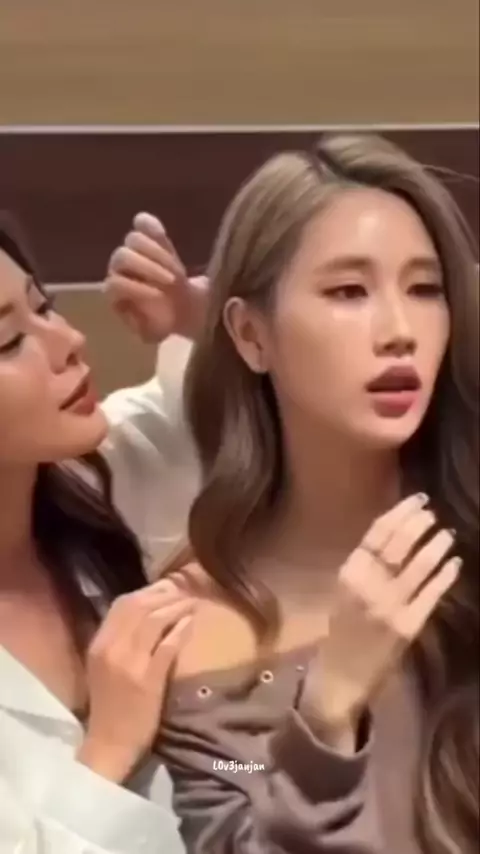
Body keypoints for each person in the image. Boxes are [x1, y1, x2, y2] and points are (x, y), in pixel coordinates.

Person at [137, 134, 477, 853]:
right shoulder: (192, 637)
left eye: (425, 289)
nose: (400, 332)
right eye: (348, 292)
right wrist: (327, 711)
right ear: (249, 335)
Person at [0, 212, 205, 853]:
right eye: (8, 341)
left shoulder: (96, 484)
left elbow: (252, 412)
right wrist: (108, 751)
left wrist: (195, 313)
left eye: (44, 307)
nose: (69, 341)